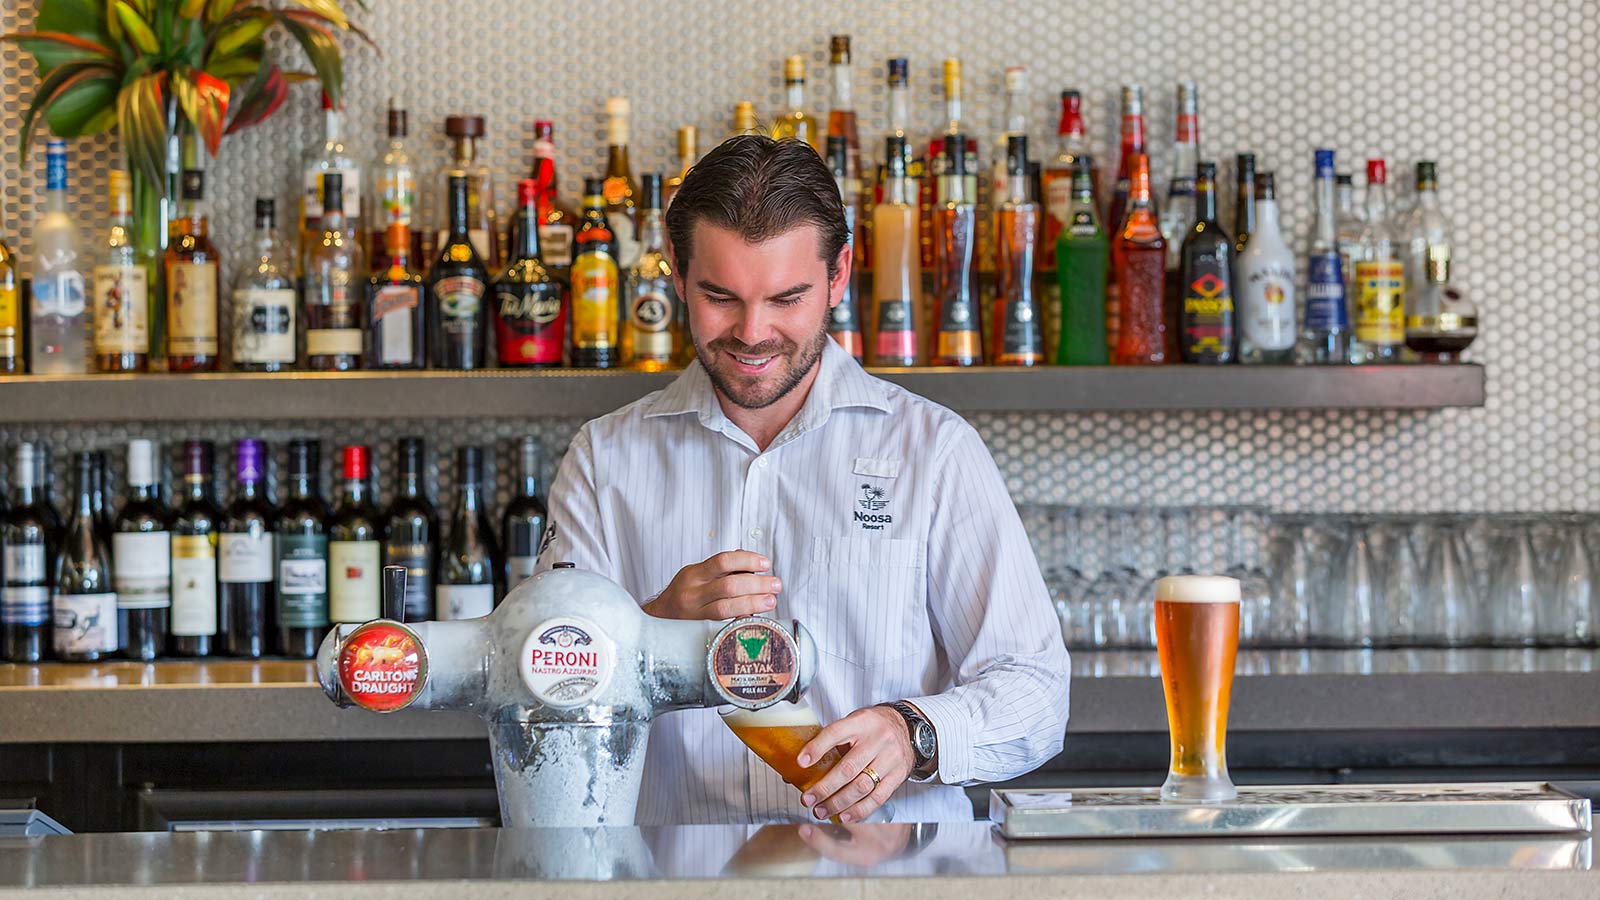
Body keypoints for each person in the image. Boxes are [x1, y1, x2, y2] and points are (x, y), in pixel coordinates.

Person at [536, 135, 1070, 824]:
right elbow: (539, 698)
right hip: (678, 884)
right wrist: (651, 628)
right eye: (719, 296)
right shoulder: (605, 459)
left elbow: (1037, 692)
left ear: (839, 274)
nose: (753, 333)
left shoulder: (934, 452)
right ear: (675, 276)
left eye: (787, 298)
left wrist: (914, 733)